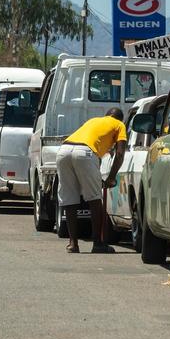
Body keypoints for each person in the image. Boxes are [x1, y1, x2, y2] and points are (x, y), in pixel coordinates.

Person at [56, 108, 129, 254]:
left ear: (107, 115)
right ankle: (98, 243)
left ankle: (73, 244)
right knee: (95, 199)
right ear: (119, 119)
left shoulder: (94, 121)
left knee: (70, 199)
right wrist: (112, 177)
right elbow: (120, 153)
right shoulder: (119, 125)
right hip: (85, 153)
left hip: (64, 150)